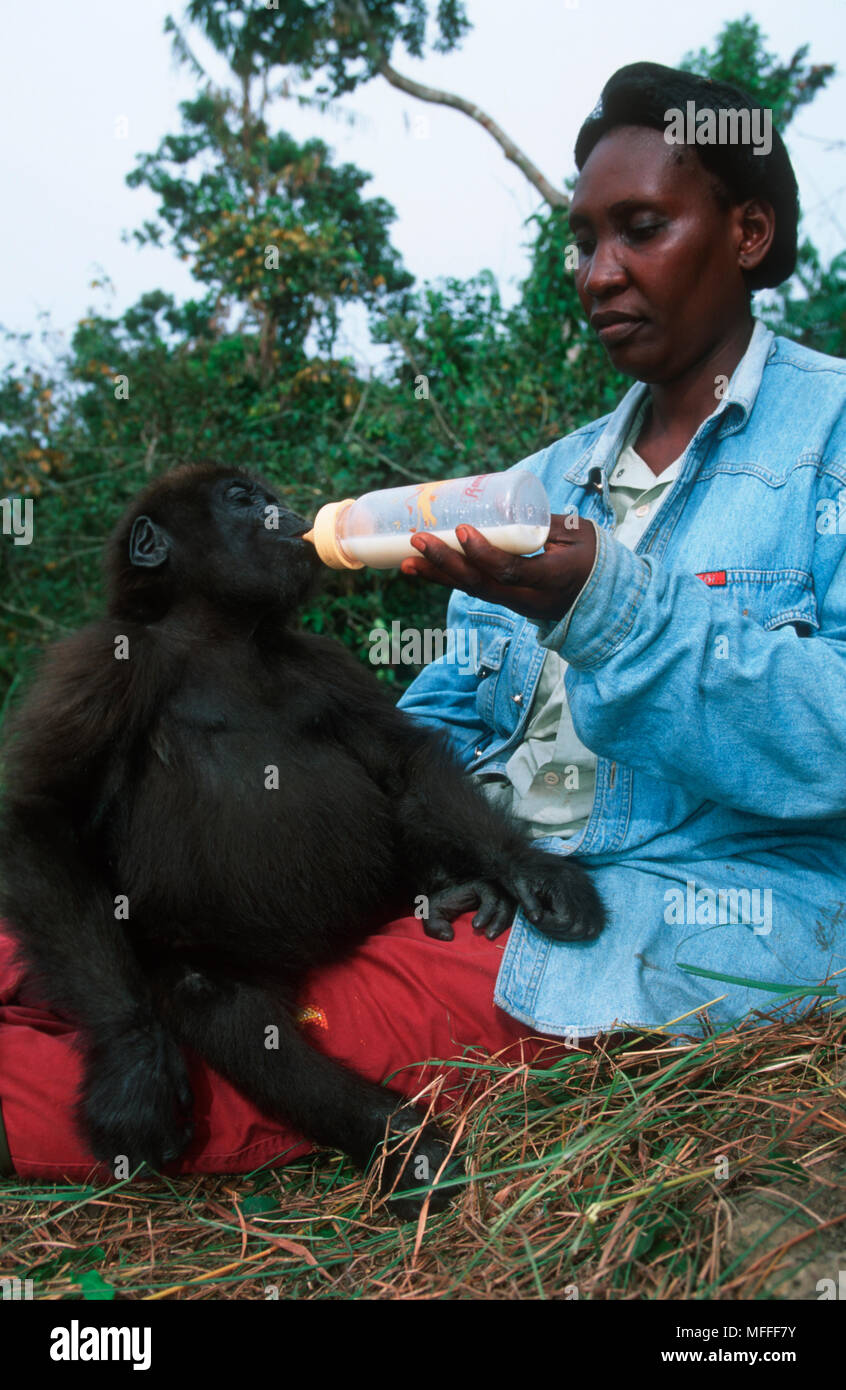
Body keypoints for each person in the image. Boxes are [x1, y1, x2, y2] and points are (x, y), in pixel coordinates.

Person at [0, 62, 843, 1185]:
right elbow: (433, 725)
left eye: (640, 229)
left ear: (748, 231)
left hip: (653, 902)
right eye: (582, 241)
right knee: (38, 953)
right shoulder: (543, 481)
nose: (597, 274)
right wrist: (422, 838)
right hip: (455, 882)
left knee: (121, 1074)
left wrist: (613, 615)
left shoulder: (831, 442)